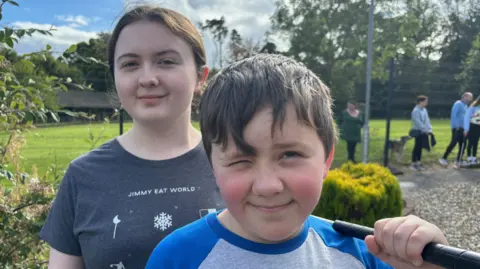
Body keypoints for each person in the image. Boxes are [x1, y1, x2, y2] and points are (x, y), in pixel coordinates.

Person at [145, 54, 448, 269]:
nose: (267, 186)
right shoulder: (176, 258)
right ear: (213, 166)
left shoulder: (365, 255)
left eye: (290, 155)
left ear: (326, 159)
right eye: (240, 160)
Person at [39, 5, 224, 269]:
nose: (147, 78)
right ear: (114, 77)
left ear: (199, 76)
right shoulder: (82, 176)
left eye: (166, 61)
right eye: (130, 64)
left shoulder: (235, 160)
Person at [439, 92, 473, 167]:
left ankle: (459, 160)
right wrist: (456, 125)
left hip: (463, 128)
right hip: (457, 128)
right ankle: (444, 158)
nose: (470, 100)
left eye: (471, 98)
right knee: (453, 143)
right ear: (464, 97)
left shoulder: (466, 105)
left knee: (463, 144)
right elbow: (453, 115)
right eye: (469, 98)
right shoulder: (458, 103)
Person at [409, 95, 433, 171]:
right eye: (425, 102)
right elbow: (418, 122)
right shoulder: (415, 110)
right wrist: (425, 129)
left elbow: (427, 120)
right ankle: (413, 164)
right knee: (417, 147)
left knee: (420, 147)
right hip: (417, 132)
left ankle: (418, 163)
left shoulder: (424, 110)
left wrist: (429, 129)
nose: (426, 103)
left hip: (423, 132)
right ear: (421, 102)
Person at [464, 95, 480, 165]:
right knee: (470, 142)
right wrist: (466, 129)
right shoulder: (473, 107)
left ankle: (473, 157)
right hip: (472, 126)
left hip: (478, 127)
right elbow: (467, 118)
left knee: (476, 142)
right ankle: (469, 157)